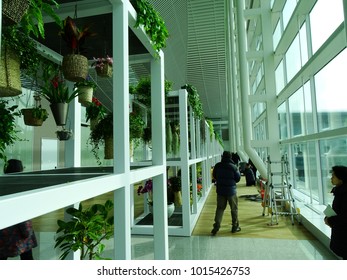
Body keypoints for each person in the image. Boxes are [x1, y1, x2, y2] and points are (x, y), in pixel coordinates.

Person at [0, 159, 37, 260]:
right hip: (19, 233)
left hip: (3, 232)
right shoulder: (21, 186)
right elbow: (22, 211)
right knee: (27, 257)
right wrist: (27, 231)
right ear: (20, 169)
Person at [211, 151, 241, 235]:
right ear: (230, 157)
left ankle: (216, 226)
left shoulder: (217, 166)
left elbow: (214, 176)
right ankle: (235, 226)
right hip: (231, 191)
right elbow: (238, 178)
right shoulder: (234, 167)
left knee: (220, 208)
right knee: (234, 209)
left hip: (220, 190)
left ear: (222, 156)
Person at [324, 165, 347, 260]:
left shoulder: (344, 194)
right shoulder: (339, 191)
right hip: (341, 233)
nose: (331, 178)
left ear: (341, 178)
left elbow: (344, 217)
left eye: (334, 176)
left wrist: (330, 221)